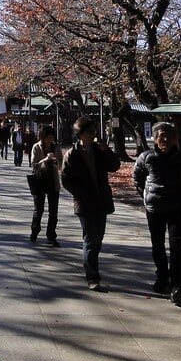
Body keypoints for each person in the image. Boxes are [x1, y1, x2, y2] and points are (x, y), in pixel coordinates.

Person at [133, 121, 181, 306]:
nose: (166, 139)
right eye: (162, 136)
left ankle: (177, 285)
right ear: (155, 138)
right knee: (157, 245)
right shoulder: (147, 157)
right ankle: (162, 277)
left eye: (169, 136)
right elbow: (137, 177)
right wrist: (146, 196)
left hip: (177, 208)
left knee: (177, 247)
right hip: (155, 209)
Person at [60, 116, 120, 290]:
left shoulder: (98, 150)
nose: (94, 135)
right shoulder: (72, 154)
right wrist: (81, 195)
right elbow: (66, 179)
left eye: (94, 131)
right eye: (90, 132)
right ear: (80, 134)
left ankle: (91, 267)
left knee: (98, 238)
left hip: (101, 200)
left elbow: (114, 166)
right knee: (90, 238)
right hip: (85, 202)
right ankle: (92, 275)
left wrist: (106, 150)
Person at [28, 124, 61, 246]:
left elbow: (61, 164)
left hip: (53, 181)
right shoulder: (36, 147)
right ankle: (34, 231)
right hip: (40, 181)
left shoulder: (56, 147)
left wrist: (55, 161)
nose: (50, 139)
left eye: (52, 137)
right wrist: (45, 160)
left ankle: (51, 235)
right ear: (43, 137)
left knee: (53, 211)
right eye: (48, 137)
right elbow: (33, 165)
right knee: (38, 209)